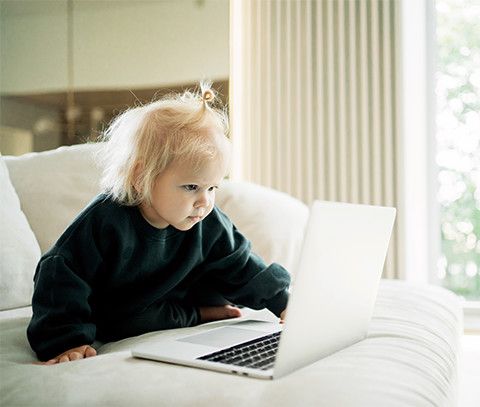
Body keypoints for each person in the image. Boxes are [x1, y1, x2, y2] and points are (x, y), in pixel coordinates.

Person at [27, 82, 290, 365]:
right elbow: (61, 272)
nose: (205, 201)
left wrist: (284, 303)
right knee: (122, 322)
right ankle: (198, 313)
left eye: (212, 188)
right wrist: (66, 340)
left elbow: (241, 263)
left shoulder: (206, 218)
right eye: (191, 186)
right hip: (121, 306)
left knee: (229, 277)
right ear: (142, 178)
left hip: (179, 289)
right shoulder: (106, 221)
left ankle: (203, 308)